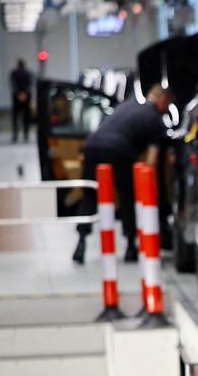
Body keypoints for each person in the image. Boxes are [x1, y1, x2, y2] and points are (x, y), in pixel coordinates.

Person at [72, 84, 173, 264]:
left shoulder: (125, 105)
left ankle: (80, 243)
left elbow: (101, 128)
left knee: (89, 195)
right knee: (127, 197)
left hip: (92, 147)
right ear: (162, 101)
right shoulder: (155, 120)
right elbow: (151, 161)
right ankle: (130, 247)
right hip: (119, 152)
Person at [9, 60, 33, 144]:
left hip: (16, 98)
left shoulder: (13, 73)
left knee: (15, 117)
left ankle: (15, 135)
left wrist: (18, 94)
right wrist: (24, 93)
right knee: (26, 117)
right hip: (26, 97)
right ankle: (26, 134)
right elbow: (30, 85)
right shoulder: (29, 73)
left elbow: (13, 84)